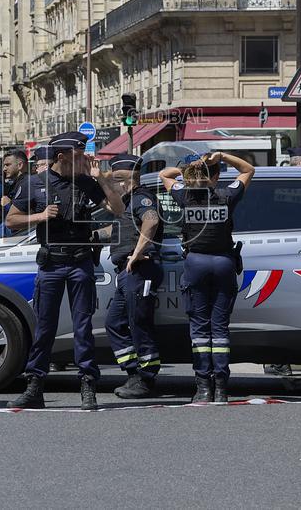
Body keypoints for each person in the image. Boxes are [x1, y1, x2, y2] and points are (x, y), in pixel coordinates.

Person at [5, 131, 126, 410]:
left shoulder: (86, 182)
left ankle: (88, 386)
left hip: (80, 263)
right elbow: (11, 220)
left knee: (83, 328)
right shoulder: (35, 182)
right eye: (79, 155)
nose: (85, 159)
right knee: (44, 328)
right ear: (61, 157)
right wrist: (40, 216)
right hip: (51, 264)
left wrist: (101, 178)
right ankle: (35, 388)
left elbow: (118, 209)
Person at [159, 151, 254, 404]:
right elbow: (248, 170)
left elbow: (164, 175)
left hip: (196, 264)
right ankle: (221, 388)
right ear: (217, 176)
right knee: (219, 328)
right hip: (223, 263)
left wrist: (189, 170)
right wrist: (221, 156)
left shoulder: (185, 195)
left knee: (200, 328)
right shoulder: (227, 196)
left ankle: (203, 387)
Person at [104, 153, 165, 399]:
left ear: (123, 180)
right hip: (128, 272)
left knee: (139, 323)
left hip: (140, 270)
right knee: (114, 323)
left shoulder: (142, 198)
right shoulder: (128, 201)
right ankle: (133, 373)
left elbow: (151, 221)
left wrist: (137, 253)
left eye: (114, 181)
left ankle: (146, 379)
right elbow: (122, 226)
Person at [0, 150, 28, 238]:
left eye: (8, 165)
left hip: (20, 238)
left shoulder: (27, 184)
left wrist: (8, 205)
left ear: (20, 165)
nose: (4, 169)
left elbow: (23, 216)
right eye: (4, 165)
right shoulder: (15, 183)